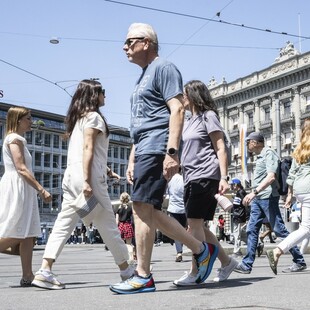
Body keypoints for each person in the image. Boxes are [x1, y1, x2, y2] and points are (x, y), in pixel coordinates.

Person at [109, 23, 218, 295]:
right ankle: (201, 250)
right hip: (144, 146)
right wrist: (132, 157)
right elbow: (140, 123)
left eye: (129, 41)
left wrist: (171, 152)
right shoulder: (143, 76)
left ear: (146, 42)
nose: (124, 47)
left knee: (142, 208)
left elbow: (177, 109)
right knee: (148, 210)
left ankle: (144, 275)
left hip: (157, 146)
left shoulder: (163, 68)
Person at [32, 79, 134, 290]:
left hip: (72, 176)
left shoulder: (78, 119)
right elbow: (88, 148)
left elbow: (87, 151)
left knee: (64, 223)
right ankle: (127, 271)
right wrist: (89, 181)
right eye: (102, 91)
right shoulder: (94, 117)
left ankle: (45, 269)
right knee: (107, 223)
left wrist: (106, 170)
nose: (105, 95)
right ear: (94, 95)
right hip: (88, 179)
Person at [173, 80, 237, 286]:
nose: (182, 98)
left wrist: (224, 177)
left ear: (193, 95)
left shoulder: (208, 116)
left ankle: (195, 271)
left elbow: (220, 147)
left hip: (206, 175)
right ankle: (227, 262)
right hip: (190, 177)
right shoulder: (190, 120)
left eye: (184, 94)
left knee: (193, 226)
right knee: (198, 226)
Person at [234, 132, 306, 274]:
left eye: (248, 142)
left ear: (255, 142)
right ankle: (246, 265)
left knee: (279, 229)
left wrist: (253, 193)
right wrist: (255, 194)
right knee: (251, 229)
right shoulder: (260, 156)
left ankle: (299, 261)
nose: (247, 144)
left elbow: (271, 177)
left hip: (267, 197)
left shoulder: (269, 153)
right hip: (258, 198)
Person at [0, 106, 52, 287]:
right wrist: (41, 189)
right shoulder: (15, 139)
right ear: (18, 120)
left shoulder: (17, 139)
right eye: (28, 118)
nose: (31, 121)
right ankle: (27, 274)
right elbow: (21, 168)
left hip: (22, 187)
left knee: (28, 234)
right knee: (18, 230)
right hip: (18, 187)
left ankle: (28, 275)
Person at [266, 118, 310, 274]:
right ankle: (278, 250)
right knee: (305, 228)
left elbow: (291, 174)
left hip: (301, 190)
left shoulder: (299, 149)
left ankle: (286, 253)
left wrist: (290, 194)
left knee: (306, 227)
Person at [166, 169, 187, 262]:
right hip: (183, 209)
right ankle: (180, 248)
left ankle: (179, 252)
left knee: (176, 231)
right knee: (183, 230)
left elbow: (167, 194)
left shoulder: (169, 180)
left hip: (173, 209)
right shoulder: (184, 179)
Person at [230, 178, 247, 257]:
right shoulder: (239, 193)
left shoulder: (241, 192)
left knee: (237, 234)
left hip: (239, 216)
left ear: (236, 185)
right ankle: (257, 245)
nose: (231, 186)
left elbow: (245, 203)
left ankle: (237, 251)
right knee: (242, 234)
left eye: (232, 185)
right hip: (238, 215)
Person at [116, 192, 135, 260]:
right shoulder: (130, 208)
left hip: (121, 226)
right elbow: (133, 218)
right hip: (128, 225)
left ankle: (122, 258)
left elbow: (117, 221)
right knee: (129, 244)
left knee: (120, 244)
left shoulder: (119, 208)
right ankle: (131, 257)